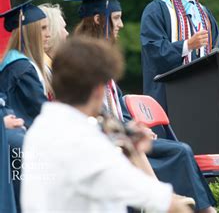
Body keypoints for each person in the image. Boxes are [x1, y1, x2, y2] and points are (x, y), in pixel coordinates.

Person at [66, 0, 216, 212]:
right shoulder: (83, 59)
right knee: (180, 151)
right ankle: (170, 202)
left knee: (179, 150)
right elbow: (95, 109)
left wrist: (135, 127)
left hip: (119, 134)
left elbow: (116, 105)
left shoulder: (99, 56)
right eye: (116, 18)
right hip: (104, 139)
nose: (121, 24)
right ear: (98, 19)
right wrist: (127, 131)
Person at [21, 36, 192, 213]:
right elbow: (162, 203)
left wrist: (127, 145)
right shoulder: (85, 141)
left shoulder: (40, 128)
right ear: (98, 91)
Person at [0, 0, 50, 211]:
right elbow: (41, 113)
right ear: (29, 33)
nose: (49, 33)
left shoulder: (23, 64)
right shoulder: (20, 68)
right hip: (21, 144)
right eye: (43, 28)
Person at [38, 3, 69, 99]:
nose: (67, 33)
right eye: (63, 28)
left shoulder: (54, 66)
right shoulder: (39, 71)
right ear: (51, 31)